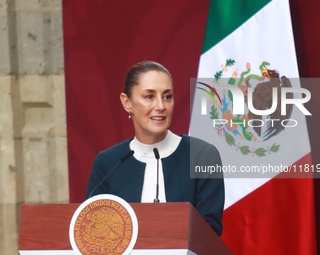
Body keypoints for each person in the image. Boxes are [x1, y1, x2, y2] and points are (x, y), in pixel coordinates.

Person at [86, 60, 225, 236]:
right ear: (127, 102)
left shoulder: (202, 155)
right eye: (149, 97)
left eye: (167, 96)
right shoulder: (108, 162)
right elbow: (93, 231)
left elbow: (209, 232)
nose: (160, 106)